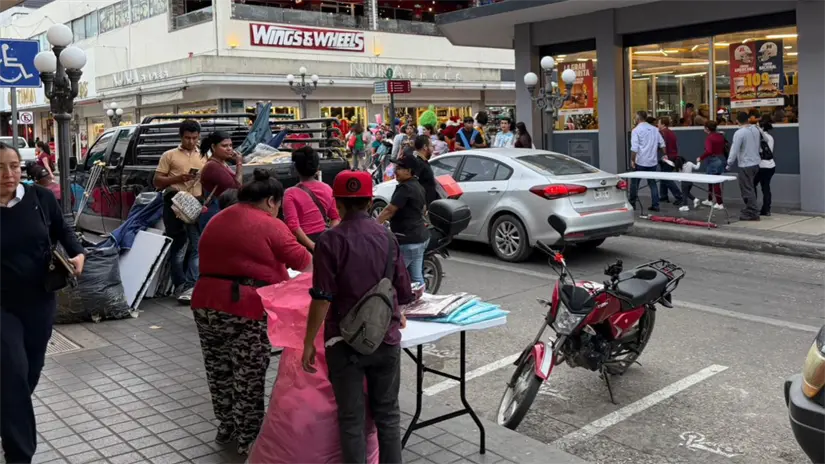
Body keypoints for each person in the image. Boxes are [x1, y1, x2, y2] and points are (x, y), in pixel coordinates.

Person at [192, 169, 312, 455]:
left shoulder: (218, 219)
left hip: (206, 305)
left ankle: (226, 425)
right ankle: (249, 439)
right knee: (248, 374)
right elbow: (304, 260)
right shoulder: (269, 224)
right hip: (243, 308)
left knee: (218, 368)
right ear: (271, 200)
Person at [301, 170, 414, 464]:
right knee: (388, 415)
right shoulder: (388, 238)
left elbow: (322, 297)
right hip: (386, 340)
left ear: (337, 203)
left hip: (343, 342)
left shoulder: (329, 240)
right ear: (367, 201)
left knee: (352, 420)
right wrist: (396, 313)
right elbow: (402, 291)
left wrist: (309, 341)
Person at [0, 141, 85, 464]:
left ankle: (8, 419)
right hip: (1, 305)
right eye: (0, 168)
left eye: (14, 166)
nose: (9, 174)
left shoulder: (40, 198)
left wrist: (77, 252)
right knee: (13, 371)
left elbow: (63, 229)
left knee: (31, 371)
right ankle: (19, 455)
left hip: (39, 299)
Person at [154, 119, 206, 302]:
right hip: (175, 203)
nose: (191, 142)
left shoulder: (205, 155)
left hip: (197, 203)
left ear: (199, 137)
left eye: (194, 138)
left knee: (196, 244)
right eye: (187, 138)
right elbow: (157, 181)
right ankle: (180, 285)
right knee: (178, 244)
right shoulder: (169, 155)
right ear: (181, 137)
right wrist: (178, 178)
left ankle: (192, 285)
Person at [376, 155, 430, 285]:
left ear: (409, 171)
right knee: (416, 278)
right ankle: (420, 301)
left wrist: (373, 226)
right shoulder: (418, 186)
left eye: (399, 168)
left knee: (391, 277)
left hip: (408, 240)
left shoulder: (405, 188)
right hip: (420, 237)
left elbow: (389, 210)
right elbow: (422, 209)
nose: (395, 171)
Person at [283, 146, 341, 252]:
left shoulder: (290, 193)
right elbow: (335, 218)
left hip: (302, 246)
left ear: (295, 168)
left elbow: (293, 226)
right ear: (317, 167)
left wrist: (312, 246)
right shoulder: (327, 188)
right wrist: (328, 238)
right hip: (324, 243)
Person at [199, 131, 243, 228]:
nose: (229, 149)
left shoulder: (222, 163)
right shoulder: (213, 166)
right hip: (214, 213)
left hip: (220, 211)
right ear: (214, 147)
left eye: (231, 145)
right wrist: (239, 163)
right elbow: (236, 187)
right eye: (224, 146)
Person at [727, 111, 762, 221]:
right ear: (748, 119)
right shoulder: (755, 130)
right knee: (751, 187)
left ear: (737, 121)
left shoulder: (739, 133)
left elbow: (735, 149)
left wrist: (729, 162)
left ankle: (752, 212)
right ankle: (752, 209)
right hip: (756, 163)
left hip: (746, 164)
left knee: (747, 189)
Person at [628, 111, 665, 212]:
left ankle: (632, 203)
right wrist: (665, 155)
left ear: (638, 118)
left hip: (640, 161)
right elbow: (662, 143)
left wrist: (632, 160)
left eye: (635, 117)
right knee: (652, 183)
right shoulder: (655, 129)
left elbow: (634, 148)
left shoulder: (636, 130)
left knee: (634, 183)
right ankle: (656, 205)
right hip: (652, 161)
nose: (634, 119)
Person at [697, 120, 727, 210]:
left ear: (707, 128)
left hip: (713, 160)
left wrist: (700, 158)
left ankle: (719, 202)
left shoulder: (709, 138)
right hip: (720, 159)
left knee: (714, 182)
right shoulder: (720, 136)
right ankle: (710, 200)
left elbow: (709, 151)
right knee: (712, 180)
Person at [657, 117, 684, 205]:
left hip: (667, 157)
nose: (658, 124)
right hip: (673, 156)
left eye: (659, 123)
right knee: (663, 176)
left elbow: (662, 145)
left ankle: (679, 196)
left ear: (663, 124)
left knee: (667, 178)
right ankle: (663, 196)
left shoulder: (662, 133)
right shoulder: (671, 133)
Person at [754, 116, 775, 217]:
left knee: (752, 185)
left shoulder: (761, 138)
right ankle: (767, 209)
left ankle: (753, 206)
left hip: (761, 165)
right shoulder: (771, 138)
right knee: (766, 187)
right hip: (771, 165)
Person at [412, 136, 439, 206]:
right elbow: (414, 185)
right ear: (425, 147)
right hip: (423, 207)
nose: (433, 148)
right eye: (431, 146)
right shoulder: (418, 163)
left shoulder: (424, 162)